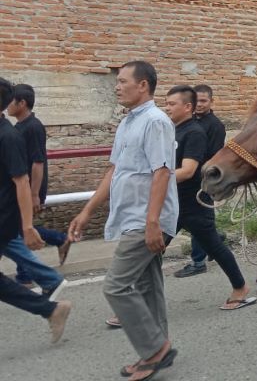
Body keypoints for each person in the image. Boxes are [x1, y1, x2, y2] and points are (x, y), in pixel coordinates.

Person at [68, 61, 180, 380]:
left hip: (146, 217)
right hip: (133, 215)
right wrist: (87, 210)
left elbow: (162, 172)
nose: (117, 86)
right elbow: (114, 170)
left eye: (122, 81)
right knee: (147, 282)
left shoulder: (156, 121)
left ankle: (154, 349)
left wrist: (152, 222)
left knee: (116, 286)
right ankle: (159, 347)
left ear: (143, 85)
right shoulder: (129, 122)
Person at [164, 85, 254, 309]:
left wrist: (153, 181)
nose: (166, 108)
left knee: (214, 246)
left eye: (171, 104)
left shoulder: (199, 130)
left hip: (195, 200)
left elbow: (194, 168)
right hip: (174, 202)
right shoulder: (175, 129)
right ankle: (134, 303)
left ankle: (240, 287)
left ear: (188, 107)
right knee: (150, 250)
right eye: (166, 103)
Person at [0, 77, 72, 343]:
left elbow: (22, 179)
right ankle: (50, 307)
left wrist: (28, 225)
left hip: (4, 218)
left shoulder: (10, 136)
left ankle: (51, 304)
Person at [7, 84, 70, 270]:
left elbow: (38, 162)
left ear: (22, 103)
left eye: (11, 101)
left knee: (20, 229)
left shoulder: (33, 127)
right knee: (18, 228)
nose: (7, 105)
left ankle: (26, 275)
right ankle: (60, 240)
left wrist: (34, 194)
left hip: (30, 187)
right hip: (21, 186)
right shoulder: (20, 126)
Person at [173, 83, 227, 279]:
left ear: (211, 101)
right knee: (196, 223)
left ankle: (198, 262)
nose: (200, 104)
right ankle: (215, 240)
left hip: (201, 180)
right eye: (198, 101)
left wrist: (197, 171)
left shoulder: (215, 126)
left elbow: (214, 157)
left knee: (198, 222)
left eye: (204, 101)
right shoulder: (187, 123)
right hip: (183, 181)